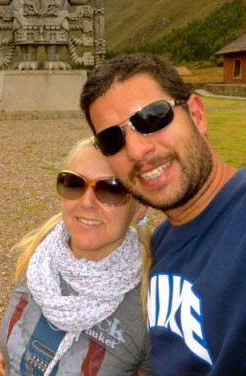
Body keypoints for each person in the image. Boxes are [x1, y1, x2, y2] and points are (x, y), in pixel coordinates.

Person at [79, 52, 246, 375]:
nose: (137, 150)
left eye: (152, 118)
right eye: (112, 139)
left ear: (196, 114)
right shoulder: (160, 243)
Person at [0, 137, 153, 376]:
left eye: (111, 188)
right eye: (74, 183)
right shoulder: (39, 257)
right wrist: (15, 356)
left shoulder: (149, 302)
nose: (87, 202)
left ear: (139, 207)